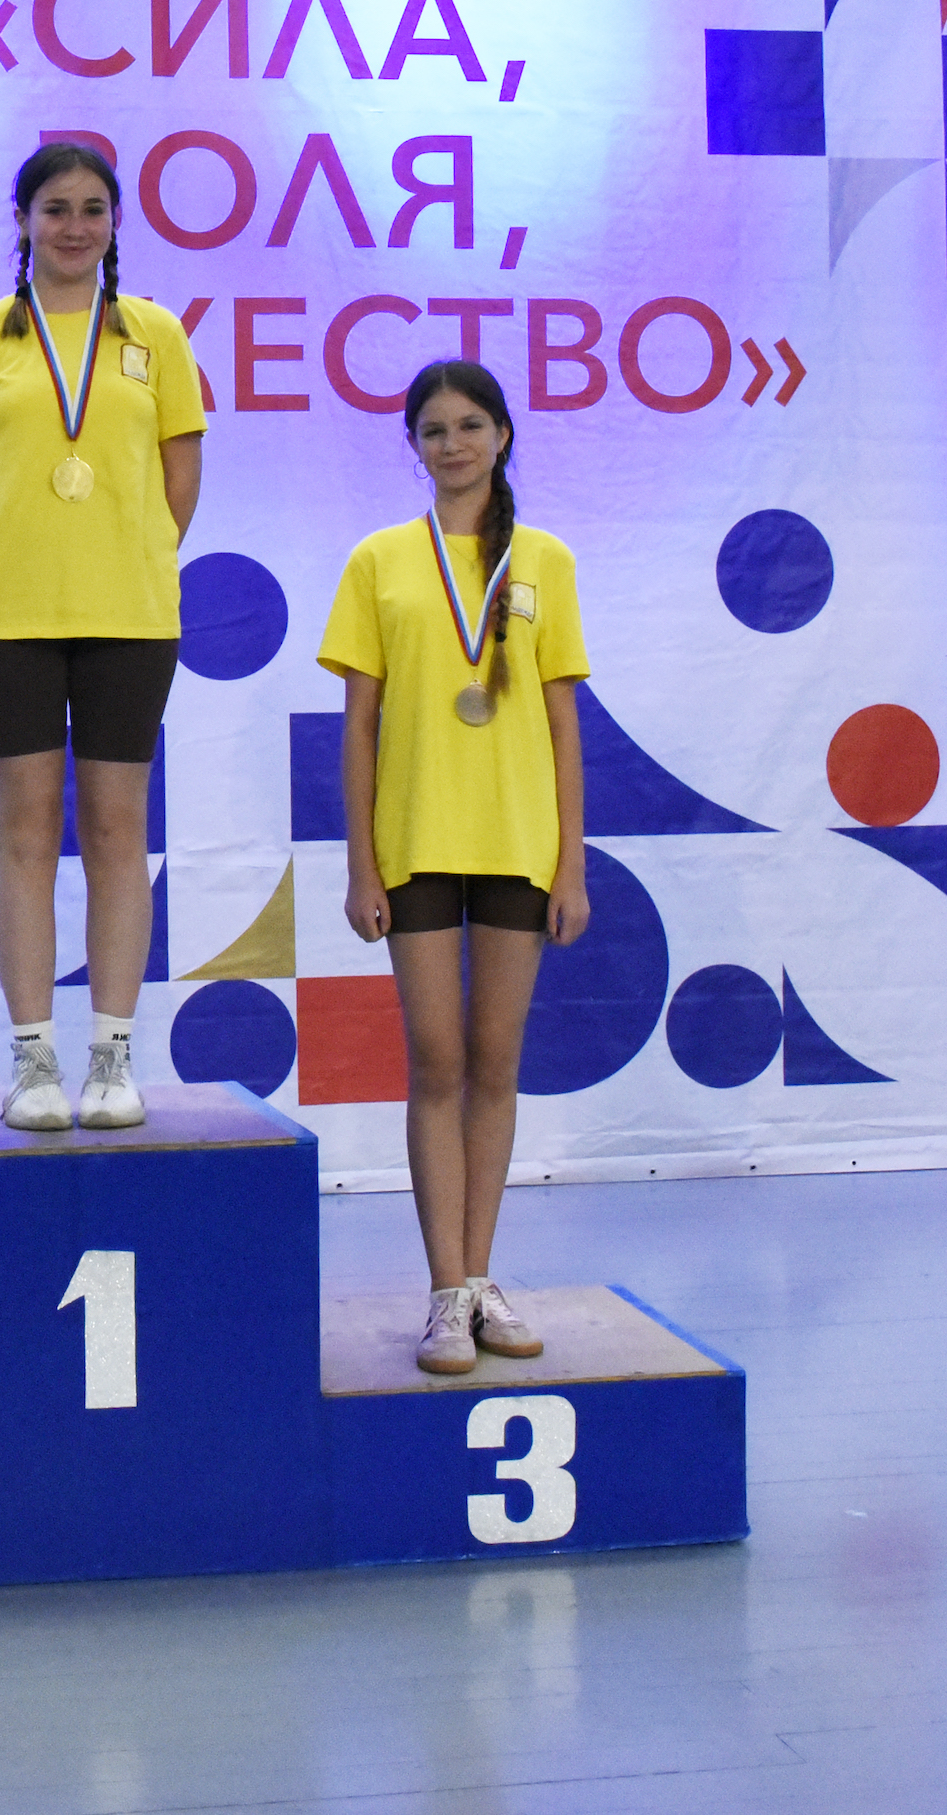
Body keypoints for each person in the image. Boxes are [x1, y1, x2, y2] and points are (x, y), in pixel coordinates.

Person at [0, 143, 206, 1130]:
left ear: (115, 223)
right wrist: (3, 557)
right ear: (24, 221)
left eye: (92, 208)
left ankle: (113, 1058)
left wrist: (128, 553)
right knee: (27, 831)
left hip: (130, 615)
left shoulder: (157, 336)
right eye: (55, 208)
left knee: (119, 831)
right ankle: (33, 1061)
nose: (74, 226)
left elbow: (179, 478)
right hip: (8, 618)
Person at [318, 362, 590, 1375]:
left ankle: (480, 1279)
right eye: (433, 430)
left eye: (471, 425)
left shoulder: (544, 560)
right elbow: (358, 726)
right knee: (435, 1063)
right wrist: (362, 864)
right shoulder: (379, 561)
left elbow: (562, 723)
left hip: (518, 842)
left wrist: (570, 863)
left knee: (495, 1063)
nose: (453, 444)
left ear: (503, 435)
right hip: (417, 841)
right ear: (414, 447)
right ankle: (443, 1293)